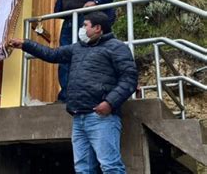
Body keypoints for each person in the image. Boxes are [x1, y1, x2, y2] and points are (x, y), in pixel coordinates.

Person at [9, 12, 138, 173]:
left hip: (102, 118)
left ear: (98, 28)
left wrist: (110, 103)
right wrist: (25, 44)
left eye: (85, 25)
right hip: (78, 118)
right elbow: (52, 54)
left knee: (110, 166)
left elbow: (129, 79)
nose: (82, 28)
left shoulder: (117, 47)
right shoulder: (78, 48)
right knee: (83, 169)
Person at [32, 0, 121, 102]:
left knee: (88, 56)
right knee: (64, 56)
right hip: (69, 20)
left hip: (88, 19)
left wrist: (96, 2)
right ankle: (65, 97)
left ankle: (91, 96)